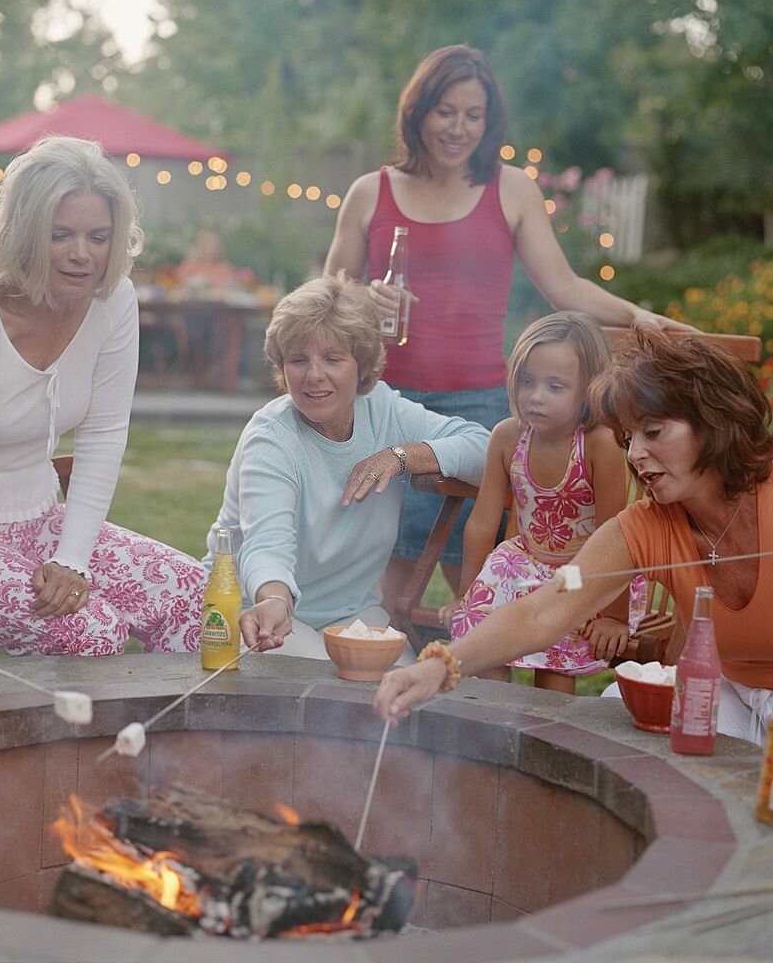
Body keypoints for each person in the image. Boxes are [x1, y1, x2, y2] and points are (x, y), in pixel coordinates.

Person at [324, 43, 692, 610]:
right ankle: (392, 678)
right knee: (393, 575)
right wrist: (361, 300)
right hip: (386, 400)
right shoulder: (370, 191)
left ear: (489, 121)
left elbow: (564, 288)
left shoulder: (511, 188)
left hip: (480, 405)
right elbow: (329, 297)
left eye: (474, 115)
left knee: (475, 575)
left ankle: (471, 681)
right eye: (446, 111)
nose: (459, 128)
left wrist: (636, 315)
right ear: (417, 112)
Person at [374, 327, 773, 746]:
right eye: (628, 438)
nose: (635, 454)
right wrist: (441, 664)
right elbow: (546, 609)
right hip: (726, 692)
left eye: (652, 433)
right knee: (620, 734)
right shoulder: (645, 527)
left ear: (713, 423)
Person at [0, 136, 203, 656]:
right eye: (59, 234)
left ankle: (156, 739)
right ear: (23, 233)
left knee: (193, 593)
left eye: (98, 235)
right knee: (91, 631)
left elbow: (105, 433)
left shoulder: (114, 299)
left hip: (40, 518)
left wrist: (72, 557)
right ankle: (61, 739)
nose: (81, 254)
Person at [202, 272, 490, 659]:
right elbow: (266, 544)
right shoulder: (270, 437)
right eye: (298, 360)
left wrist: (402, 456)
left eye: (332, 359)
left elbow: (486, 448)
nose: (314, 375)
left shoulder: (383, 409)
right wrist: (274, 599)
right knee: (332, 692)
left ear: (362, 363)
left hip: (354, 614)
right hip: (258, 616)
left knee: (408, 694)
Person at [444, 312, 646, 693]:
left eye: (555, 386)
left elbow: (616, 535)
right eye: (527, 382)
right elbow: (483, 524)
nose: (536, 396)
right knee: (485, 641)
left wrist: (615, 618)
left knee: (553, 668)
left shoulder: (598, 443)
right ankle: (492, 724)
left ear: (589, 389)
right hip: (524, 565)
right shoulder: (507, 437)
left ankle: (543, 736)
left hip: (581, 573)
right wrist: (466, 598)